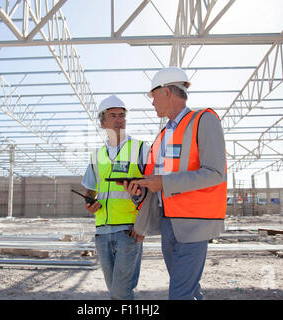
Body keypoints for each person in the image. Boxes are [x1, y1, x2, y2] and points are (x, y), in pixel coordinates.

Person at [123, 67, 227, 300]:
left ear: (167, 92)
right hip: (167, 222)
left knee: (180, 294)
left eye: (153, 96)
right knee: (188, 290)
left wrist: (164, 183)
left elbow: (215, 173)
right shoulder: (161, 137)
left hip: (193, 223)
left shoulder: (204, 120)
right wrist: (138, 191)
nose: (152, 103)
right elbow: (155, 183)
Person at [82, 94, 148, 300]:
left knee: (120, 292)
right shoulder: (97, 156)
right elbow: (90, 190)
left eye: (122, 115)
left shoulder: (140, 148)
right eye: (113, 116)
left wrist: (144, 225)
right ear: (102, 122)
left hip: (129, 229)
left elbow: (154, 189)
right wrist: (89, 203)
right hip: (102, 231)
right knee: (115, 291)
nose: (119, 120)